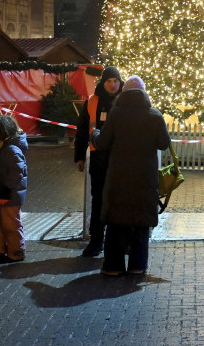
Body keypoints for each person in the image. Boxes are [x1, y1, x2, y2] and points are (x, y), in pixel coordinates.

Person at [91, 75, 170, 277]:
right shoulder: (154, 115)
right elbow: (163, 143)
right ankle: (138, 266)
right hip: (144, 179)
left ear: (124, 92)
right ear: (144, 92)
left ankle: (113, 267)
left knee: (116, 223)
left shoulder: (116, 114)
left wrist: (94, 133)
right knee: (141, 224)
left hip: (119, 178)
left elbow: (102, 142)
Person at [74, 66, 123, 257]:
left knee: (119, 200)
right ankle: (96, 240)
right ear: (103, 82)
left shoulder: (126, 101)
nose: (113, 85)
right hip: (98, 158)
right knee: (98, 201)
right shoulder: (92, 101)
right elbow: (81, 130)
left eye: (116, 81)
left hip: (119, 159)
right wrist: (79, 156)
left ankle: (120, 241)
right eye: (109, 81)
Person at [0, 114, 27, 263]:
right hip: (4, 192)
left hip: (10, 194)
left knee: (11, 224)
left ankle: (16, 252)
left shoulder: (12, 149)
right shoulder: (4, 147)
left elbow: (17, 172)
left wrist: (6, 190)